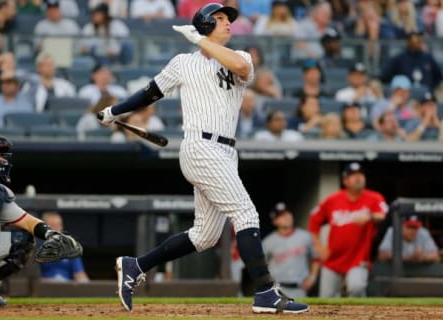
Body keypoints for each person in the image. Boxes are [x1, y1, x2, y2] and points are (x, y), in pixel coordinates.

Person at [97, 2, 309, 314]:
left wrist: (199, 40)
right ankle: (265, 292)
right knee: (246, 215)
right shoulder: (183, 62)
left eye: (228, 19)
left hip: (225, 151)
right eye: (220, 19)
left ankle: (136, 265)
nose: (228, 24)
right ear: (206, 24)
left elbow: (238, 67)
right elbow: (150, 92)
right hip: (201, 147)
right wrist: (114, 111)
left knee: (205, 236)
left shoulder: (242, 58)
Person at [0, 134, 82, 307]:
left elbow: (26, 221)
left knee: (23, 242)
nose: (1, 159)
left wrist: (51, 234)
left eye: (1, 155)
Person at [308, 162, 388, 297]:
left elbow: (385, 215)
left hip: (358, 258)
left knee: (356, 288)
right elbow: (314, 220)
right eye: (353, 175)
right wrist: (318, 246)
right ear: (345, 181)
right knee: (327, 298)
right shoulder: (333, 199)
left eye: (361, 174)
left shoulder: (374, 198)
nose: (358, 178)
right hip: (333, 259)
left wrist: (370, 216)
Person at [262, 202, 320, 298]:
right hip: (277, 289)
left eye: (288, 213)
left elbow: (316, 259)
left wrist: (312, 278)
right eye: (281, 216)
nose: (286, 217)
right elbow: (261, 266)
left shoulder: (305, 236)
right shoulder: (268, 242)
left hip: (299, 290)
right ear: (275, 221)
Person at [39, 211, 90, 282]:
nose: (56, 229)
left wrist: (87, 288)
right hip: (43, 288)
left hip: (66, 288)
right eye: (52, 226)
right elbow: (32, 279)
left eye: (58, 225)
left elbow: (79, 274)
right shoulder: (36, 247)